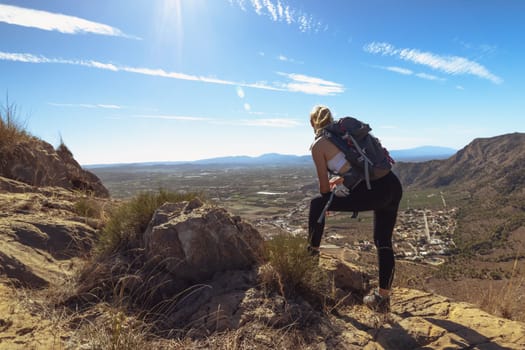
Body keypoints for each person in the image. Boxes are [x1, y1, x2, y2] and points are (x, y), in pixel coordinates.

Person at [307, 105, 403, 312]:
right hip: (392, 185)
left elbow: (324, 190)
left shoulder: (318, 145)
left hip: (373, 191)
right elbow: (357, 169)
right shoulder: (345, 136)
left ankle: (309, 261)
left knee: (317, 204)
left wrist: (331, 190)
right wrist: (340, 181)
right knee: (383, 241)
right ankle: (383, 298)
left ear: (311, 123)